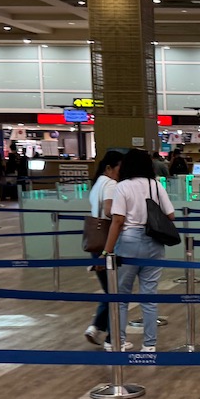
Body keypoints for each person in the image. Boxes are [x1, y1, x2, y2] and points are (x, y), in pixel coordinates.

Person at [102, 148, 174, 351]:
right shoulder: (156, 185)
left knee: (122, 296)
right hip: (154, 242)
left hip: (129, 241)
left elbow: (117, 220)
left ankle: (119, 341)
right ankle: (149, 345)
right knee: (149, 296)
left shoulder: (122, 186)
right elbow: (171, 215)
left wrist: (107, 251)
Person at [84, 149, 125, 347]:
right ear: (110, 167)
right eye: (119, 168)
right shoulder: (111, 185)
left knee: (110, 288)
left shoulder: (97, 184)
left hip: (95, 241)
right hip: (108, 243)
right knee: (115, 291)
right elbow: (109, 211)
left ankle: (96, 327)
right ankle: (112, 339)